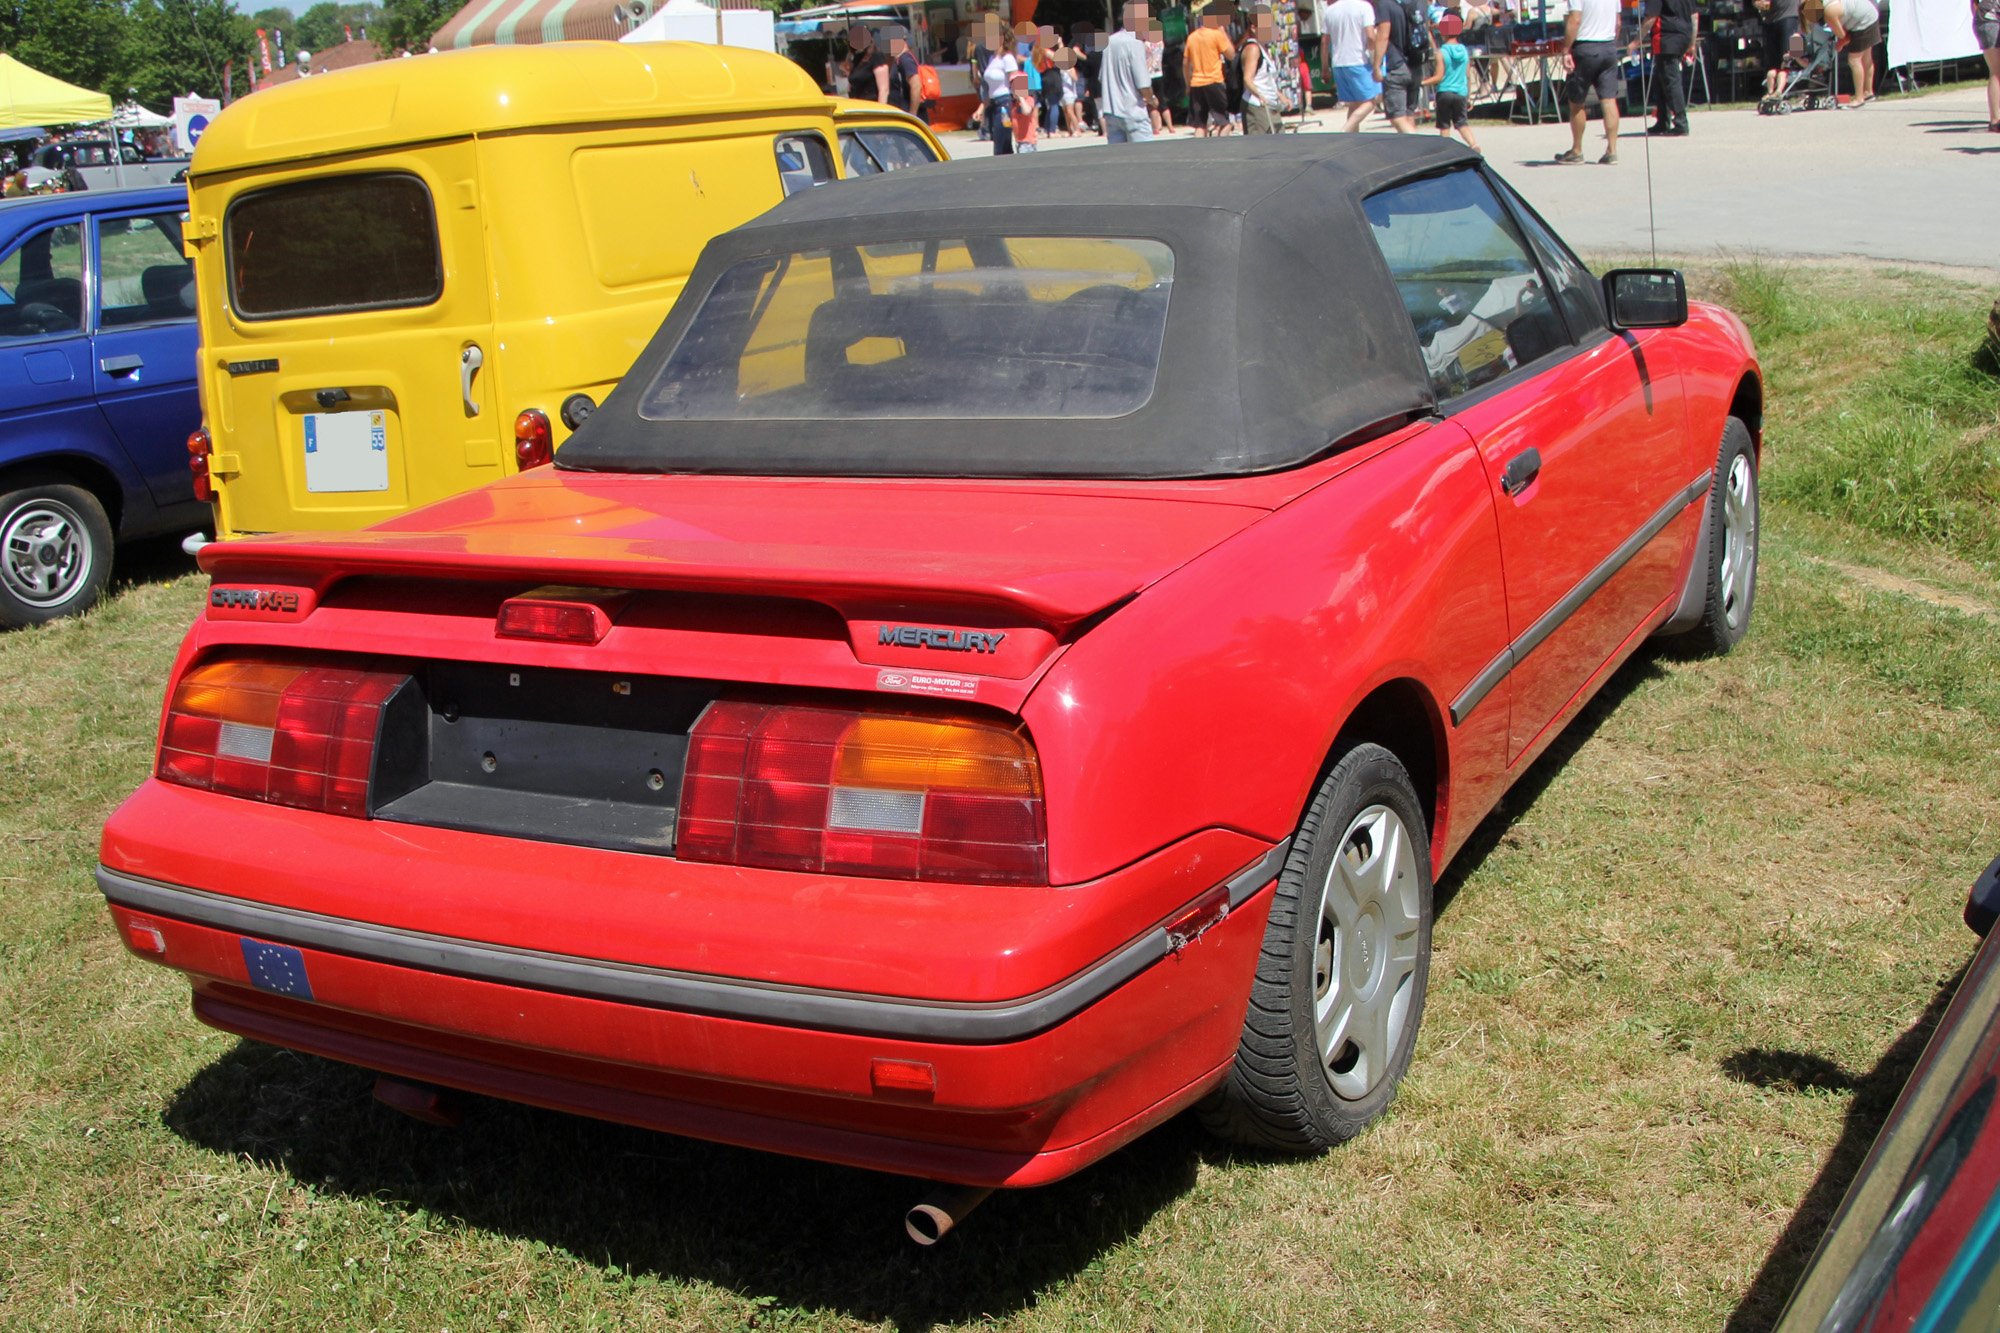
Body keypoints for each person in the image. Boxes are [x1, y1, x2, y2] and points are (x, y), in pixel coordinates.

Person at [1554, 0, 1624, 164]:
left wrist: (1565, 50)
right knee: (1608, 100)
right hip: (1608, 45)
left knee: (1577, 101)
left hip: (1586, 46)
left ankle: (1577, 149)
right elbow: (1618, 22)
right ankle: (1612, 150)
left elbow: (1575, 19)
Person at [1102, 3, 1162, 141]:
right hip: (1133, 111)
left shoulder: (1109, 42)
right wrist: (1152, 100)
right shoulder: (1135, 43)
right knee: (1144, 158)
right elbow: (1143, 84)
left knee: (1119, 160)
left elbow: (1103, 77)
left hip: (1111, 112)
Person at [1424, 12, 1482, 150]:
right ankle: (1473, 144)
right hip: (1461, 92)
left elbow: (1439, 76)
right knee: (1462, 123)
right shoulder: (1464, 51)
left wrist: (1423, 83)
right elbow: (1467, 75)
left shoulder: (1441, 52)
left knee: (1444, 125)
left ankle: (1446, 150)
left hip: (1445, 92)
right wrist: (1468, 95)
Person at [1325, 0, 1383, 128]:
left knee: (1354, 104)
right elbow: (1371, 36)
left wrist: (1325, 67)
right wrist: (1374, 58)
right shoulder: (1364, 7)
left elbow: (1324, 41)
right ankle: (1345, 130)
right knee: (1371, 101)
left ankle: (1352, 138)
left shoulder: (1330, 10)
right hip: (1358, 59)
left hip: (1338, 62)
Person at [1643, 0, 1697, 134]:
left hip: (1666, 37)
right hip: (1683, 35)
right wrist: (1692, 43)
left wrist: (1636, 40)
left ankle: (1681, 122)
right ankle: (1662, 121)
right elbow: (1694, 16)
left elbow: (1651, 18)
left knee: (1671, 81)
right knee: (1661, 80)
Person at [1184, 4, 1239, 134]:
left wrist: (1188, 84)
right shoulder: (1216, 35)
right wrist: (1223, 31)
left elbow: (1185, 63)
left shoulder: (1192, 37)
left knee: (1200, 125)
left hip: (1197, 83)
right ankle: (1221, 147)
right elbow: (1231, 55)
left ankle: (1199, 152)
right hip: (1214, 81)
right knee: (1224, 122)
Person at [1372, 0, 1425, 133]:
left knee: (1397, 116)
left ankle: (1418, 145)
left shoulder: (1386, 4)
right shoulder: (1420, 3)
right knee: (1409, 113)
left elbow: (1383, 36)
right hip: (1415, 63)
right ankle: (1412, 152)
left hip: (1396, 65)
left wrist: (1377, 65)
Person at [975, 16, 1020, 153]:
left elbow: (1016, 80)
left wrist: (1020, 101)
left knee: (1001, 143)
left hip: (1004, 104)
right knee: (1002, 143)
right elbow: (990, 89)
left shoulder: (1007, 58)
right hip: (993, 104)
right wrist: (981, 108)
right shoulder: (992, 58)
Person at [1823, 0, 1879, 107]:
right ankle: (1868, 92)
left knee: (1854, 60)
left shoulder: (1828, 13)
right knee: (1866, 57)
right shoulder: (1828, 5)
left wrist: (1841, 43)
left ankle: (1859, 98)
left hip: (1863, 21)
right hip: (1870, 13)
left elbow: (1843, 36)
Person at [1240, 5, 1285, 131]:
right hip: (1257, 106)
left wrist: (1280, 96)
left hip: (1270, 105)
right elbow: (1248, 79)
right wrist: (1260, 96)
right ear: (1254, 28)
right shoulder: (1253, 49)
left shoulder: (1264, 48)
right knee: (1262, 147)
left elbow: (1265, 78)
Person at [1751, 0, 1801, 100]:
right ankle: (1771, 92)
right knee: (1772, 61)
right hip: (1770, 19)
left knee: (1787, 57)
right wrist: (1756, 3)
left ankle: (1786, 90)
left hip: (1789, 15)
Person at [845, 23, 891, 102]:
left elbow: (884, 90)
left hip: (873, 107)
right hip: (859, 107)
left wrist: (880, 112)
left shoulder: (877, 56)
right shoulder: (857, 59)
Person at [882, 25, 920, 114]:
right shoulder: (899, 60)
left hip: (907, 114)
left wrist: (912, 114)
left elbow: (916, 86)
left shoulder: (905, 59)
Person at [1980, 0, 2000, 133]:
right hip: (1991, 22)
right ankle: (1995, 120)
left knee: (1996, 71)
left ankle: (1995, 119)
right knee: (1996, 71)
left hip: (1985, 21)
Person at [1009, 70, 1041, 149]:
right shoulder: (1014, 103)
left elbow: (1027, 111)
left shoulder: (1028, 99)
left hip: (1028, 141)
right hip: (1019, 141)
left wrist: (1021, 97)